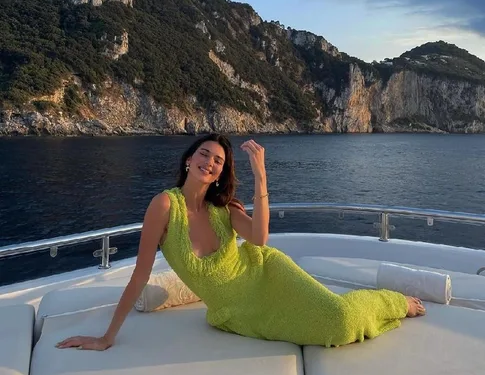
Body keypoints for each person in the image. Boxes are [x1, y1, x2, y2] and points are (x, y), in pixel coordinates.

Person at [56, 133, 426, 351]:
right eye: (204, 154)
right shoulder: (165, 205)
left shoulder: (224, 208)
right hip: (235, 313)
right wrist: (106, 338)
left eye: (218, 160)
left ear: (221, 173)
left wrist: (261, 176)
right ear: (188, 159)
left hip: (268, 273)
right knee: (331, 329)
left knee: (341, 319)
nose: (210, 162)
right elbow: (140, 275)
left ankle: (391, 300)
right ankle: (373, 304)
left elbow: (261, 239)